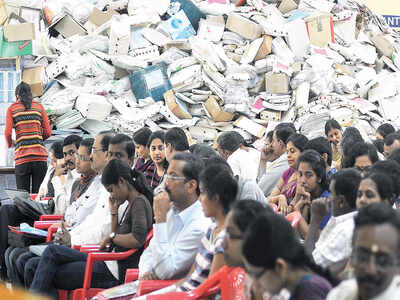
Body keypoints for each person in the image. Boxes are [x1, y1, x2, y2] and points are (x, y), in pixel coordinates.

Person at [29, 159, 153, 299]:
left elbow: (137, 239)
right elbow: (115, 233)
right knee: (42, 261)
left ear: (122, 182)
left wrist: (112, 237)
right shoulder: (131, 202)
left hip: (112, 270)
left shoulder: (139, 203)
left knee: (46, 267)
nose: (111, 195)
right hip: (106, 260)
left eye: (111, 190)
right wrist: (113, 213)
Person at [139, 164, 239, 296]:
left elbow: (208, 291)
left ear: (216, 198)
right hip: (183, 292)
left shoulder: (223, 241)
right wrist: (163, 293)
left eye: (202, 193)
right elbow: (190, 276)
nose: (199, 199)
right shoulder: (212, 228)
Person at [138, 152, 211, 280]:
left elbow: (165, 271)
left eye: (172, 177)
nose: (165, 183)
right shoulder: (172, 210)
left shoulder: (199, 225)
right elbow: (148, 254)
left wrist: (160, 220)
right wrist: (145, 272)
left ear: (191, 186)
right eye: (166, 175)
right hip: (151, 285)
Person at [242, 212, 333, 300]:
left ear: (280, 267)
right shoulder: (301, 287)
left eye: (256, 275)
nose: (254, 284)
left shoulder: (309, 291)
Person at [326, 203, 400, 300]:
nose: (370, 269)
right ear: (352, 255)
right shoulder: (339, 294)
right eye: (363, 256)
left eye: (382, 261)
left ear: (398, 263)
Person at [305, 169, 361, 272]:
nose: (328, 198)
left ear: (341, 202)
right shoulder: (341, 218)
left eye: (331, 193)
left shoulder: (345, 230)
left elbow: (309, 265)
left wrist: (315, 220)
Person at [4, 82, 52, 193]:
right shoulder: (39, 107)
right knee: (38, 196)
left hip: (22, 159)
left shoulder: (12, 109)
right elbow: (48, 132)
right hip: (40, 158)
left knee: (23, 198)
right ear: (30, 94)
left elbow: (7, 133)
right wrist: (38, 139)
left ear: (17, 96)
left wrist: (11, 143)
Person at [222, 200, 273, 300]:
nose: (223, 244)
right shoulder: (249, 275)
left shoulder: (278, 293)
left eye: (231, 236)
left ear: (254, 239)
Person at [290, 150, 329, 237]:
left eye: (308, 175)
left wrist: (297, 212)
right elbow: (295, 232)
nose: (303, 180)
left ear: (319, 177)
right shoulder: (308, 194)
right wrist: (297, 197)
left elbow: (314, 239)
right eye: (300, 174)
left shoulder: (325, 200)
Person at [269, 133, 308, 215]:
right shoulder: (288, 172)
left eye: (292, 151)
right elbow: (270, 199)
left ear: (303, 152)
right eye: (287, 152)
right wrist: (280, 197)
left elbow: (292, 210)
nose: (288, 156)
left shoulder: (305, 178)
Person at [258, 125, 294, 197]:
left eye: (273, 141)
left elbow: (259, 190)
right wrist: (263, 160)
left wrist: (262, 162)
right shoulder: (284, 159)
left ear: (280, 143)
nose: (271, 145)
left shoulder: (285, 161)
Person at [52, 135, 82, 215]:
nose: (67, 158)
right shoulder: (69, 174)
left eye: (71, 153)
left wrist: (56, 178)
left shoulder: (80, 178)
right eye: (65, 154)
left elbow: (62, 210)